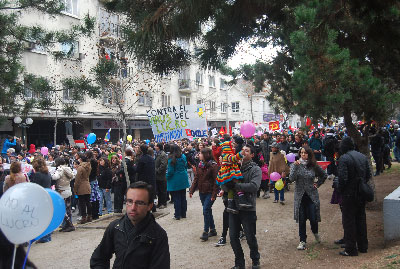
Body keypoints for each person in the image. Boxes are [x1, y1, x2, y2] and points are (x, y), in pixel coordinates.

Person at [90, 181, 170, 268]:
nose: (133, 208)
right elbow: (99, 258)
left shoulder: (158, 235)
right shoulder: (115, 227)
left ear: (149, 206)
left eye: (139, 203)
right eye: (130, 201)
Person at [222, 144, 261, 269]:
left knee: (250, 237)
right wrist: (225, 182)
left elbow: (254, 187)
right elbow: (224, 186)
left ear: (252, 155)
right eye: (242, 150)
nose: (243, 152)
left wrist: (236, 186)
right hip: (233, 207)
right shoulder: (232, 167)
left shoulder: (255, 169)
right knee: (233, 237)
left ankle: (255, 260)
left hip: (248, 207)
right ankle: (239, 264)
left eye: (247, 151)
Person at [337, 137, 371, 256]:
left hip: (349, 194)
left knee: (349, 221)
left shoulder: (344, 158)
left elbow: (342, 179)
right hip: (361, 193)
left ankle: (351, 249)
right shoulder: (362, 156)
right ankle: (363, 246)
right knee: (361, 219)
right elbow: (368, 175)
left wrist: (339, 189)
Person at [289, 146, 327, 250]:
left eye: (305, 153)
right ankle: (302, 240)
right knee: (301, 219)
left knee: (313, 218)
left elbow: (323, 175)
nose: (303, 155)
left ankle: (315, 232)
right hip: (300, 197)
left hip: (311, 196)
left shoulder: (314, 165)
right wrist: (295, 167)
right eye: (301, 153)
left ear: (309, 154)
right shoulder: (295, 165)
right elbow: (291, 179)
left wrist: (317, 183)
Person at [189, 147, 219, 242]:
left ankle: (205, 232)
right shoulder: (200, 165)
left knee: (205, 210)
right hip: (202, 191)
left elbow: (216, 181)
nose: (199, 155)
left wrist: (214, 194)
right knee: (207, 210)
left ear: (206, 155)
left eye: (201, 153)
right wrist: (192, 190)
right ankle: (213, 229)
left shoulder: (213, 166)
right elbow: (196, 178)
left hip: (210, 192)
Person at [216, 135, 249, 214]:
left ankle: (231, 205)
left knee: (231, 189)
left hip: (228, 174)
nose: (234, 148)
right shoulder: (227, 155)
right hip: (229, 175)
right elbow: (234, 158)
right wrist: (241, 153)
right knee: (238, 185)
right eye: (232, 147)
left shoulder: (225, 155)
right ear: (228, 148)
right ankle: (242, 200)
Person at [30, 156, 53, 242]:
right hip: (48, 195)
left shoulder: (37, 175)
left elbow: (36, 186)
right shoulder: (47, 173)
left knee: (41, 218)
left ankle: (44, 237)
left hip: (41, 197)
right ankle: (48, 236)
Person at [166, 144, 190, 220]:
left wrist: (166, 177)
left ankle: (177, 215)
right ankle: (183, 214)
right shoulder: (183, 157)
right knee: (183, 197)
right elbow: (185, 166)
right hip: (183, 178)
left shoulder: (171, 159)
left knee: (176, 198)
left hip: (175, 180)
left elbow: (170, 171)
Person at [52, 157, 75, 232]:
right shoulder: (67, 168)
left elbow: (55, 177)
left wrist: (52, 173)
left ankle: (69, 225)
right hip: (68, 189)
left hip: (62, 190)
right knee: (68, 209)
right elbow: (72, 177)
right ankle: (66, 225)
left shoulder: (60, 169)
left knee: (62, 209)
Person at [74, 153, 92, 224]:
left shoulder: (80, 168)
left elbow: (77, 179)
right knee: (88, 201)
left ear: (80, 159)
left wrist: (75, 189)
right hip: (87, 184)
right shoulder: (88, 166)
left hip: (81, 186)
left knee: (82, 203)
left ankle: (83, 217)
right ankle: (89, 216)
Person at [155, 143, 168, 209]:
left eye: (156, 146)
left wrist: (158, 170)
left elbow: (164, 164)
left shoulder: (163, 154)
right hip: (157, 176)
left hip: (161, 175)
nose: (154, 147)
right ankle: (160, 203)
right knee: (159, 191)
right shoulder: (157, 154)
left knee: (162, 190)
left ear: (158, 147)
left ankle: (163, 203)